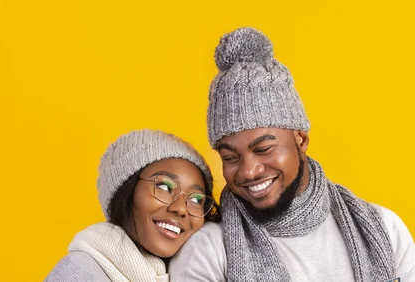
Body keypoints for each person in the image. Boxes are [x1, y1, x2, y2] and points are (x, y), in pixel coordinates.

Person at [170, 27, 415, 282]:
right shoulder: (208, 251)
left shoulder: (384, 230)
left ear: (301, 139)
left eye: (263, 149)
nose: (248, 171)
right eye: (230, 157)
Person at [45, 129, 220, 282]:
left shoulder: (191, 271)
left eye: (196, 199)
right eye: (164, 187)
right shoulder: (80, 272)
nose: (181, 208)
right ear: (126, 192)